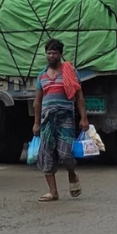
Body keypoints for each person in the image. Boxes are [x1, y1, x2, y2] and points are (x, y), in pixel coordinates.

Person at [32, 39, 88, 202]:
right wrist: (36, 123)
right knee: (46, 155)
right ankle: (53, 192)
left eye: (54, 53)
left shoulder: (69, 72)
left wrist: (84, 118)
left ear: (60, 54)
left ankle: (72, 174)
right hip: (47, 120)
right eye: (49, 53)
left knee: (65, 155)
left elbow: (79, 97)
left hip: (65, 118)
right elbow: (37, 102)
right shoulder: (41, 75)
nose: (51, 56)